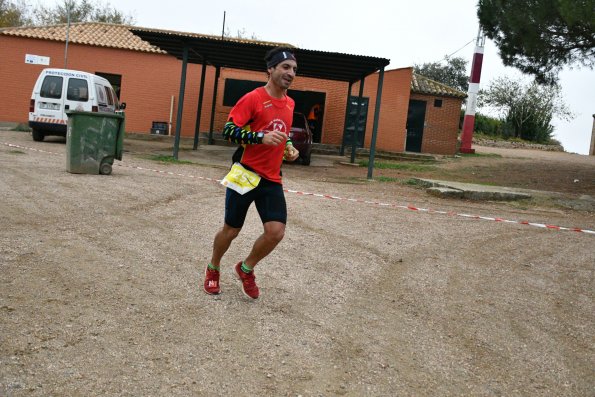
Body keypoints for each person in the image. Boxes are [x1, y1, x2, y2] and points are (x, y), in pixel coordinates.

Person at [203, 47, 300, 299]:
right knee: (231, 230)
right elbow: (228, 131)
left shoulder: (290, 103)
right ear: (271, 69)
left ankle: (246, 269)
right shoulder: (253, 98)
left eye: (294, 69)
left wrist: (288, 147)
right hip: (245, 173)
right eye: (285, 67)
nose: (291, 73)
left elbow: (282, 132)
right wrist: (260, 137)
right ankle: (213, 267)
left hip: (271, 178)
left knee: (275, 232)